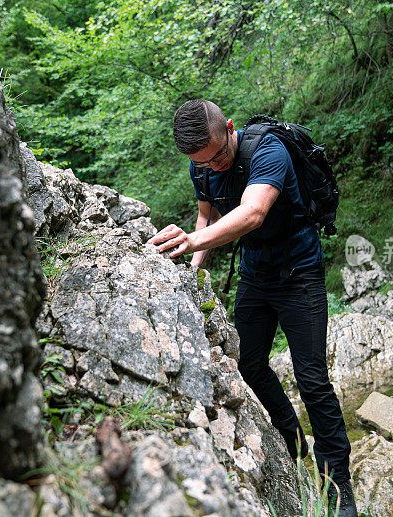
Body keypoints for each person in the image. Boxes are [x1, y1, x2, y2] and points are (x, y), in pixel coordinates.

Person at [146, 99, 356, 516]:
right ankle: (292, 442)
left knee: (312, 380)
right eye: (203, 162)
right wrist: (191, 270)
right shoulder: (203, 165)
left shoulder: (268, 149)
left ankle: (339, 488)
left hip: (300, 274)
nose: (215, 166)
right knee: (250, 363)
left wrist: (191, 240)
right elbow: (205, 218)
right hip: (256, 275)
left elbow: (253, 212)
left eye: (219, 155)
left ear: (229, 127)